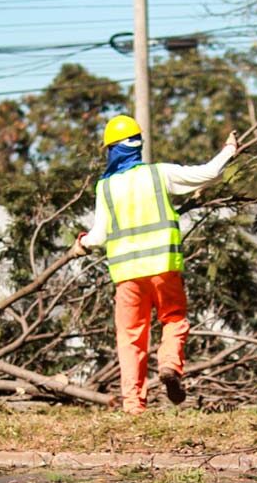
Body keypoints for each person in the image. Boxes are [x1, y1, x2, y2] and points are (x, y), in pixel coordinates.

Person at [71, 114, 238, 414]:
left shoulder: (106, 188)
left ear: (111, 150)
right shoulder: (159, 174)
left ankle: (134, 405)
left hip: (127, 277)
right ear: (138, 146)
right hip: (164, 267)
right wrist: (229, 149)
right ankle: (170, 365)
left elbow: (98, 236)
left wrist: (81, 244)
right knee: (173, 319)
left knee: (131, 338)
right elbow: (208, 173)